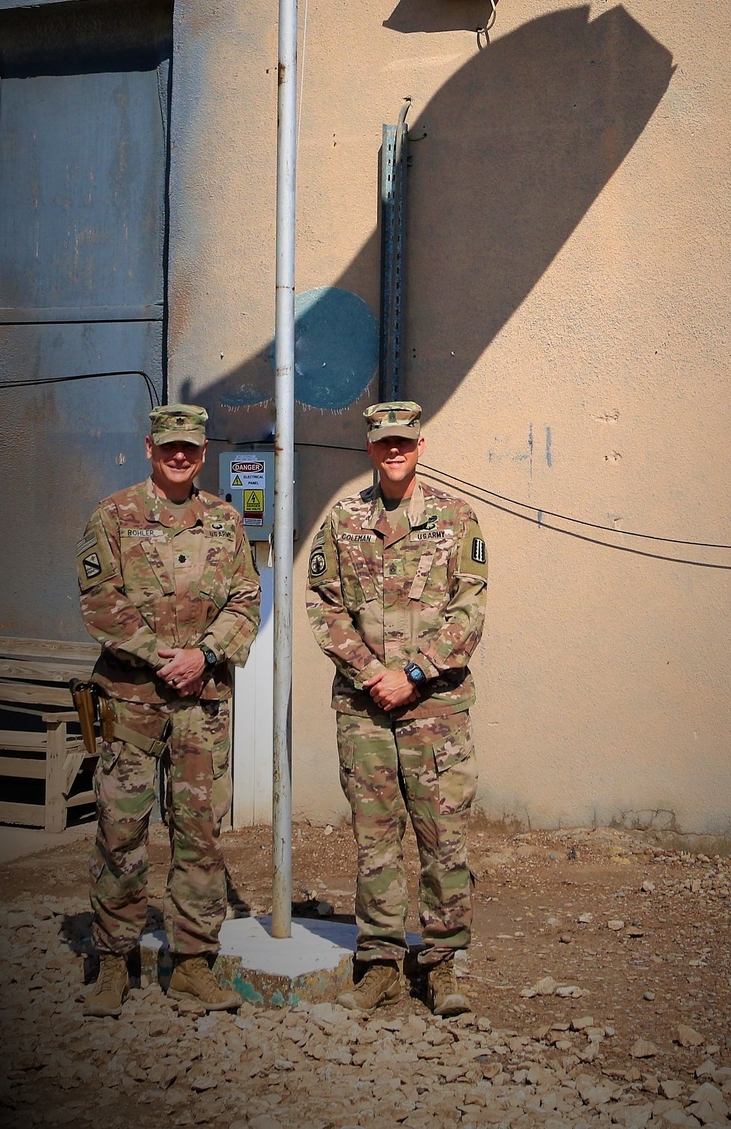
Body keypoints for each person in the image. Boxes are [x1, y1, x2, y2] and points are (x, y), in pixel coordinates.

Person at [76, 403, 261, 1017]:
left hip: (201, 704)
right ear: (150, 447)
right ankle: (112, 962)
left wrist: (203, 655)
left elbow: (245, 602)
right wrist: (162, 656)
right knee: (120, 831)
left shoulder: (227, 523)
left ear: (204, 453)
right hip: (131, 699)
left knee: (199, 833)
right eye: (169, 447)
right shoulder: (114, 515)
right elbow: (99, 600)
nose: (179, 456)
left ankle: (190, 964)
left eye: (191, 447)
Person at [306, 400, 488, 1017]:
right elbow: (324, 607)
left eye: (404, 441)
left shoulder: (456, 519)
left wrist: (412, 674)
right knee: (375, 839)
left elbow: (470, 611)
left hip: (435, 707)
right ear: (370, 448)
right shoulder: (342, 521)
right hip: (364, 708)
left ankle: (441, 966)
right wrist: (371, 674)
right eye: (384, 442)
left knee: (443, 839)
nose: (394, 451)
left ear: (420, 445)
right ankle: (380, 962)